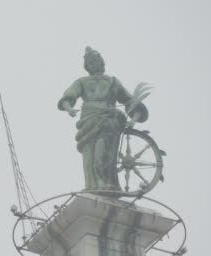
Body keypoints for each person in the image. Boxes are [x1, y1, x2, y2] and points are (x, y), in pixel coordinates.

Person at [58, 47, 148, 192]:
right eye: (91, 62)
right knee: (88, 159)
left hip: (108, 122)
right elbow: (67, 98)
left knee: (103, 157)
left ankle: (106, 184)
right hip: (88, 122)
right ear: (87, 67)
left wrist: (133, 120)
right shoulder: (81, 82)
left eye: (96, 60)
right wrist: (69, 109)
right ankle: (91, 187)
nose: (94, 63)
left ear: (102, 62)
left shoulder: (113, 82)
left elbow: (132, 103)